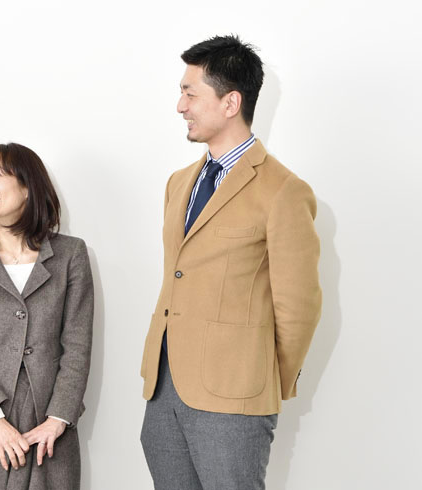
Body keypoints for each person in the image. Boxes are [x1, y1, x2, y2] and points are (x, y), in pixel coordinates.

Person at [139, 35, 322, 490]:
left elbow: (299, 307)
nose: (180, 106)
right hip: (163, 390)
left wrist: (258, 379)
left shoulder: (283, 191)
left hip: (236, 397)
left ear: (230, 102)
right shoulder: (178, 183)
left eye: (190, 93)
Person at [0, 143, 93, 490]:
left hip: (49, 431)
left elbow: (78, 346)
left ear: (27, 186)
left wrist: (59, 418)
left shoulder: (71, 254)